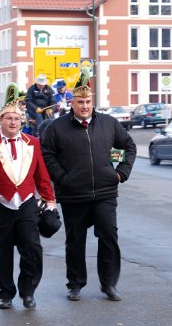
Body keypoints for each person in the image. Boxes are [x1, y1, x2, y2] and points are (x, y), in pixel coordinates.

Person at [41, 73, 136, 302]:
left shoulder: (109, 123)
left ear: (93, 103)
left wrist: (120, 173)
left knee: (109, 236)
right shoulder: (57, 128)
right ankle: (75, 284)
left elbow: (129, 147)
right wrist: (63, 178)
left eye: (88, 102)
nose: (84, 106)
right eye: (80, 102)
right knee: (75, 240)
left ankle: (109, 284)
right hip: (73, 194)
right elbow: (47, 154)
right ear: (72, 103)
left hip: (105, 193)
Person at [0, 85, 56, 310]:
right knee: (0, 253)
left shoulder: (33, 143)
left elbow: (42, 174)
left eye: (17, 119)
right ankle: (6, 292)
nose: (13, 122)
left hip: (27, 203)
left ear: (22, 121)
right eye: (9, 118)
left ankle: (28, 291)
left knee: (32, 249)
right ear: (1, 120)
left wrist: (49, 199)